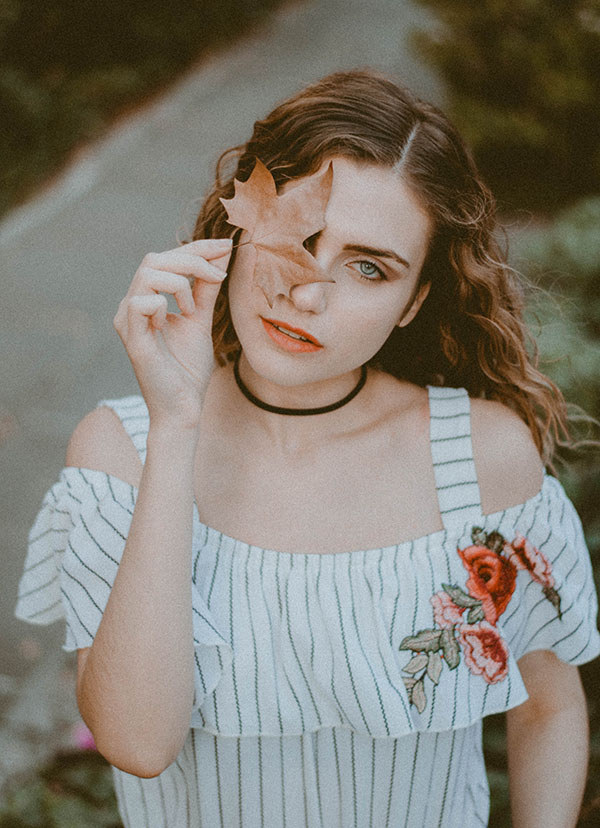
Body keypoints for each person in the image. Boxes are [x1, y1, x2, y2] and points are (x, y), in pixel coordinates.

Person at [15, 69, 600, 828]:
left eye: (368, 267)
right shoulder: (121, 451)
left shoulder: (479, 458)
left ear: (412, 302)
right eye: (297, 239)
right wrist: (176, 426)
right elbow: (136, 741)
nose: (307, 294)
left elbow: (549, 709)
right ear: (236, 229)